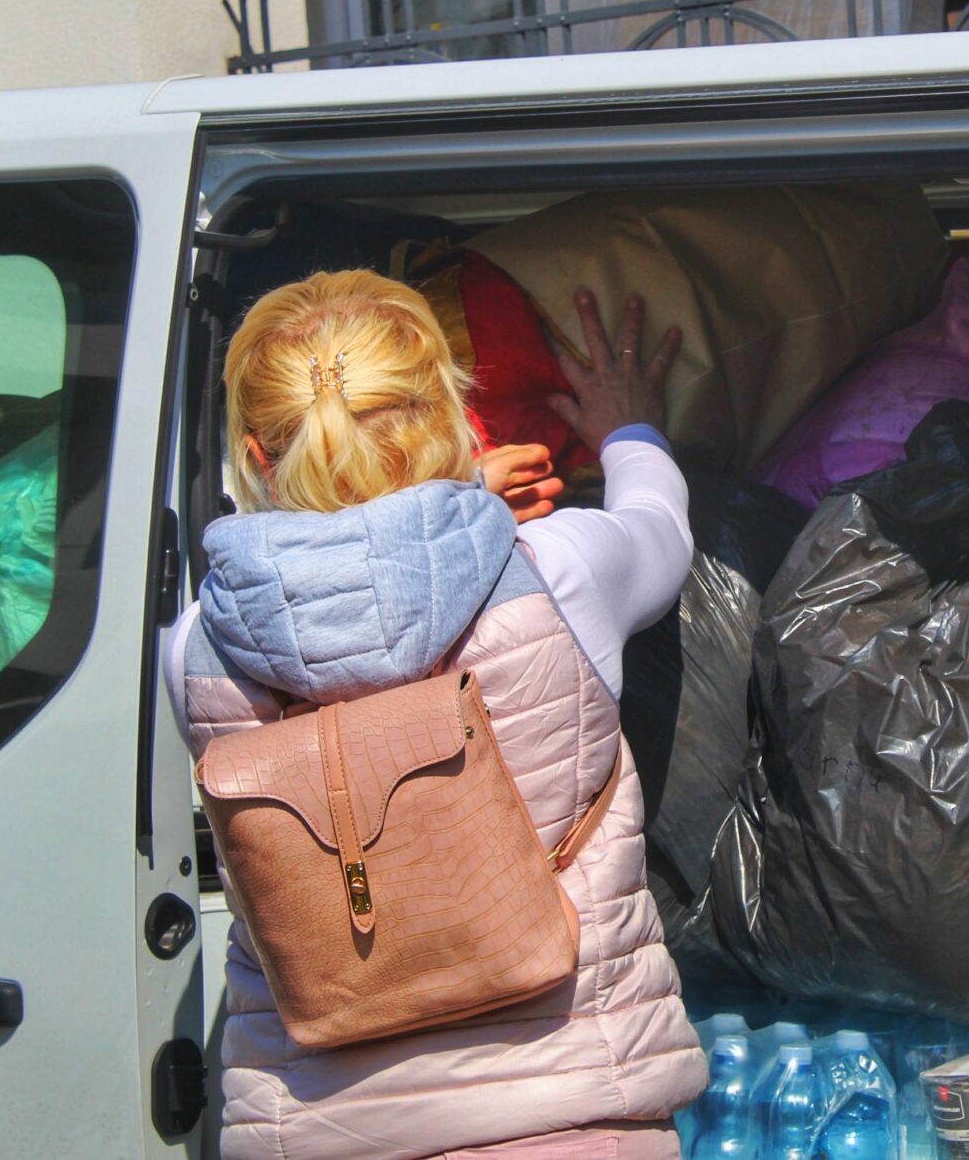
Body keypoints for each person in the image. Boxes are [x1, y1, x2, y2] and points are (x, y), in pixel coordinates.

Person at [167, 268, 706, 1160]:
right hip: (572, 1118)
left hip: (318, 1132)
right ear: (454, 414)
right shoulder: (559, 572)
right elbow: (662, 523)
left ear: (257, 456)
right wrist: (627, 427)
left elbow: (333, 569)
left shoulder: (197, 646)